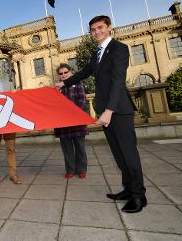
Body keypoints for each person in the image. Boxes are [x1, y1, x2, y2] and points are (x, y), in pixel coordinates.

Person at [55, 15, 147, 213]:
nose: (97, 32)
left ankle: (139, 196)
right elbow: (84, 72)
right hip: (106, 110)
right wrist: (63, 83)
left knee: (129, 154)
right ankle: (128, 189)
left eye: (100, 28)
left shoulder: (119, 48)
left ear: (109, 27)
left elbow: (118, 80)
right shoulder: (98, 53)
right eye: (93, 30)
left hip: (118, 110)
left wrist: (109, 110)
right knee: (118, 153)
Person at [54, 63, 88, 179]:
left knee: (80, 147)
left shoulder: (78, 83)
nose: (63, 75)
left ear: (70, 72)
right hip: (62, 123)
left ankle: (81, 170)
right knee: (67, 148)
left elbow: (82, 101)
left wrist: (73, 115)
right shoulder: (56, 88)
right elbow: (52, 105)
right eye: (61, 73)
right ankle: (70, 170)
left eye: (65, 72)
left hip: (77, 121)